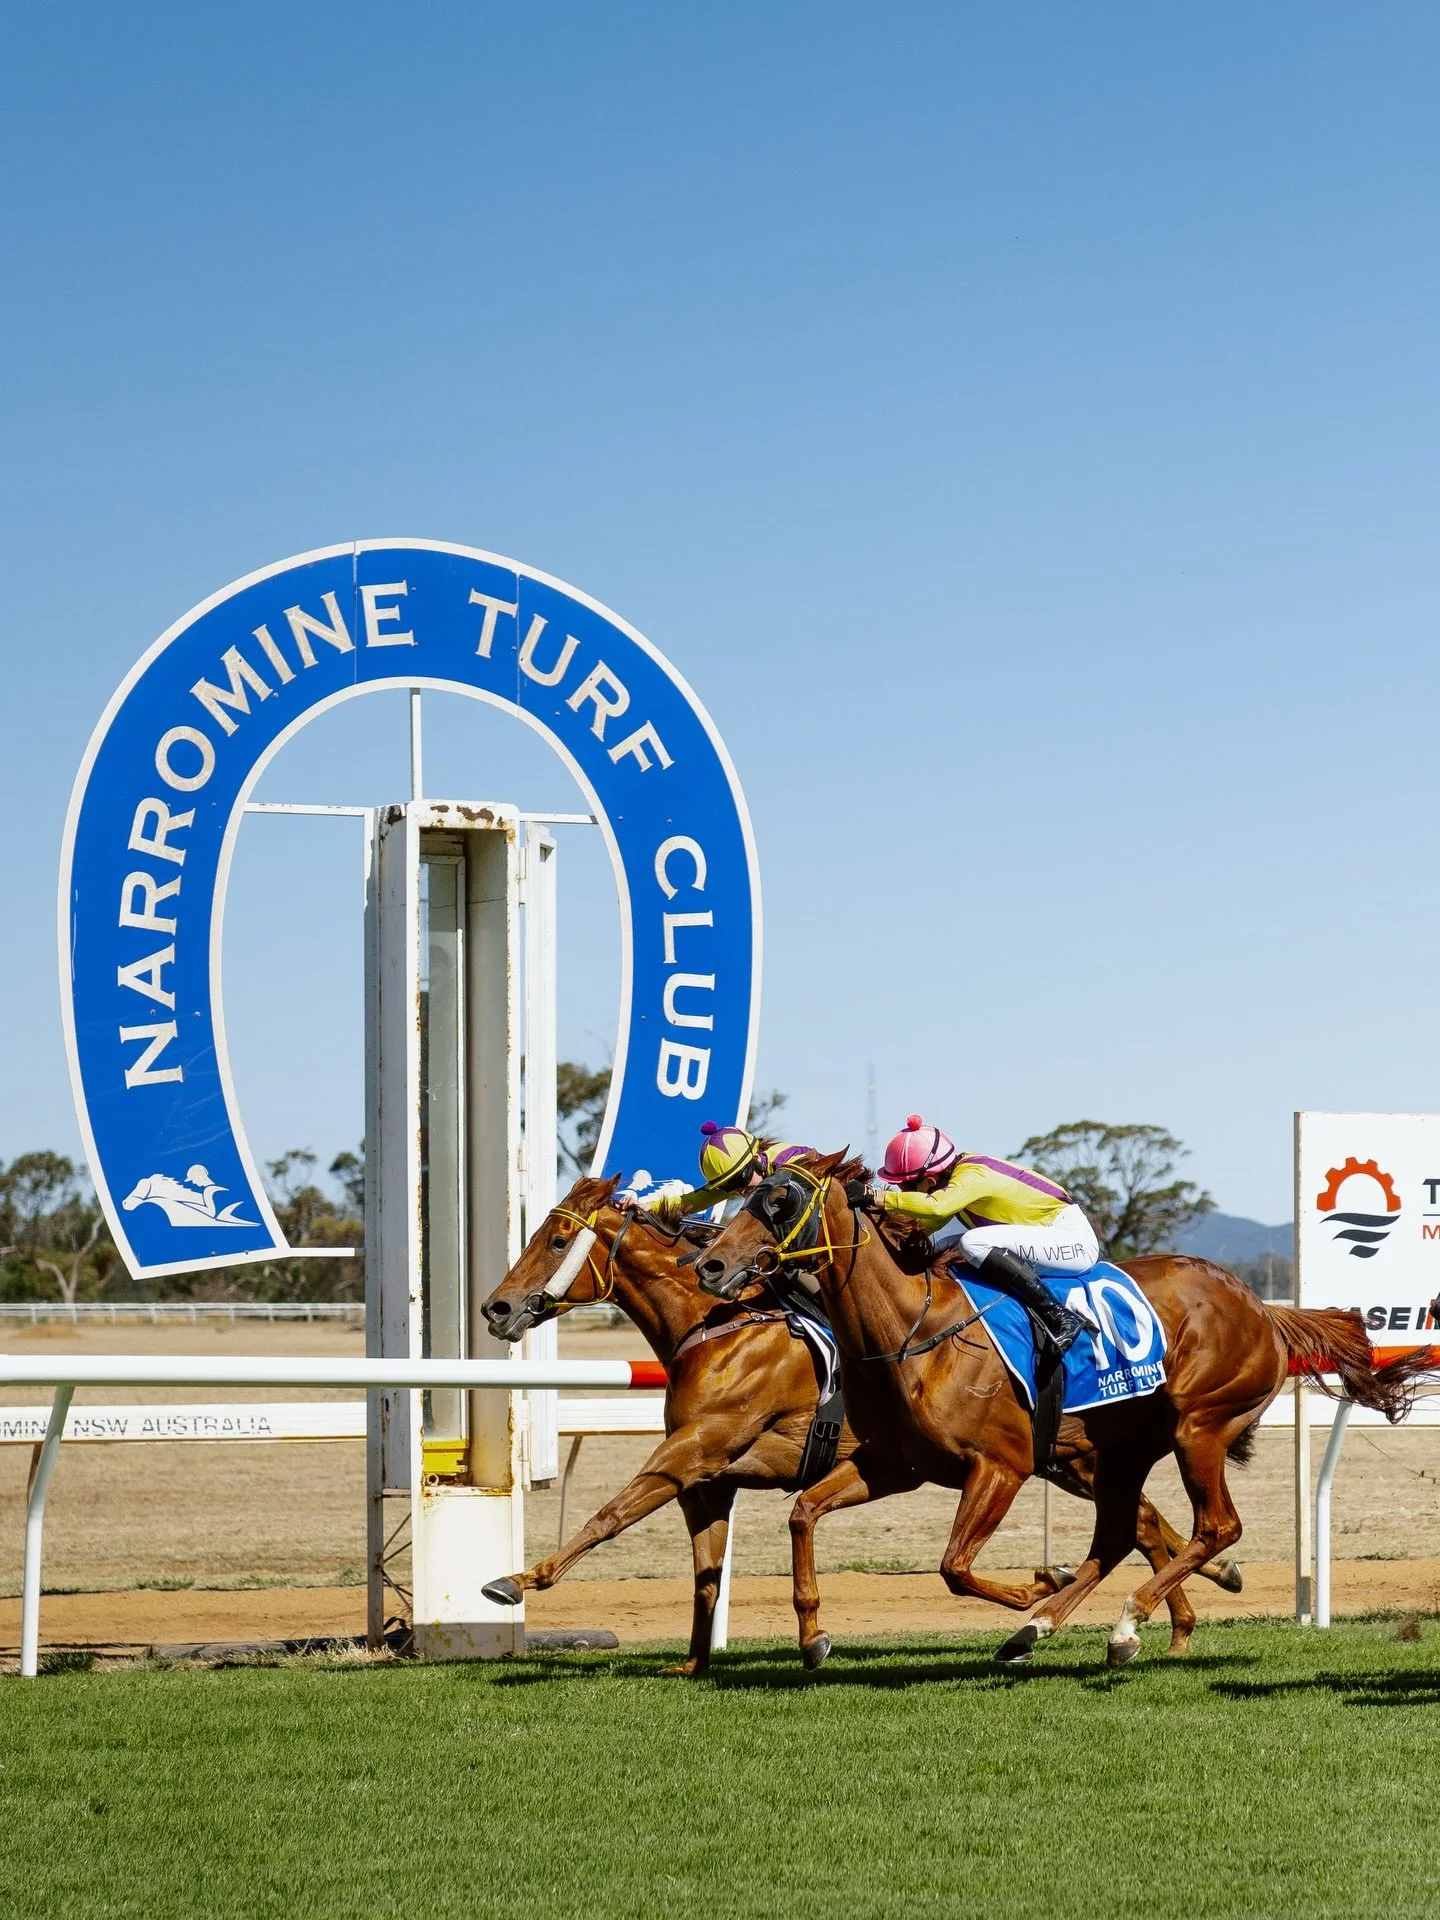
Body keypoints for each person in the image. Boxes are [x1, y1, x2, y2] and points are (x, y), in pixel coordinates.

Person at [862, 1116, 1094, 1354]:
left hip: (1073, 1241)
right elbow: (922, 1228)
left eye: (905, 1186)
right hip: (1044, 1238)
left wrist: (877, 1196)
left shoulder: (972, 1176)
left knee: (972, 1243)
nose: (901, 1191)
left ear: (931, 1180)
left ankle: (1059, 1315)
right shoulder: (954, 1182)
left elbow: (935, 1207)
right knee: (944, 1246)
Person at [619, 1121, 816, 1226]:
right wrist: (645, 1206)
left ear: (756, 1159)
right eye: (728, 1187)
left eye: (740, 1179)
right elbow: (689, 1201)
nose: (739, 1190)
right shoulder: (746, 1177)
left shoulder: (788, 1160)